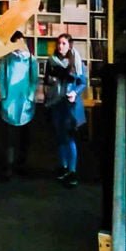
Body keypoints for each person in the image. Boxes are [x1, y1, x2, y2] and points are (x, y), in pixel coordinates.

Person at [44, 32, 87, 188]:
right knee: (60, 136)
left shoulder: (76, 61)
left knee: (70, 137)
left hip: (70, 104)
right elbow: (46, 80)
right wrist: (52, 81)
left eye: (63, 43)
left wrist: (74, 93)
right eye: (58, 43)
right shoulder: (51, 60)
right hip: (56, 102)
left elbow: (83, 82)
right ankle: (62, 167)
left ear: (69, 45)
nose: (60, 46)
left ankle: (72, 170)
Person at [0, 30, 39, 180]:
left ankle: (22, 164)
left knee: (24, 137)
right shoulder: (7, 59)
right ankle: (8, 166)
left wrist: (30, 97)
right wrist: (3, 96)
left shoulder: (31, 60)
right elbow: (1, 78)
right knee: (9, 137)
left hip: (25, 103)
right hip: (10, 102)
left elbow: (35, 79)